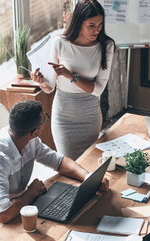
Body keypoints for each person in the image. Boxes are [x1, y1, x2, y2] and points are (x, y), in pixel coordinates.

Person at [0, 100, 109, 241]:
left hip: (17, 208)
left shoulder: (28, 139)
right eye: (44, 120)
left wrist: (89, 177)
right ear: (34, 131)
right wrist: (31, 193)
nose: (45, 122)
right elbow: (3, 214)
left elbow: (58, 161)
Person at [31, 0, 115, 160]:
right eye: (91, 25)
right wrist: (41, 81)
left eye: (100, 25)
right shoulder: (59, 43)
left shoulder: (106, 46)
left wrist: (72, 76)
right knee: (69, 166)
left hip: (90, 115)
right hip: (64, 118)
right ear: (78, 22)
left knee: (90, 163)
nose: (97, 29)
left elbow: (99, 89)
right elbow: (50, 88)